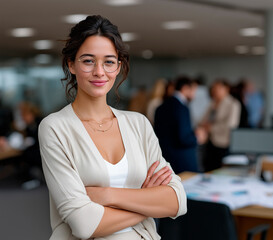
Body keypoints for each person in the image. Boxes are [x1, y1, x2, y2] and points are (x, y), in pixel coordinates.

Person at [38, 15, 186, 240]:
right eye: (88, 61)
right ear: (71, 64)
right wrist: (147, 200)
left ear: (118, 66)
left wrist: (107, 195)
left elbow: (177, 200)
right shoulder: (55, 128)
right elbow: (84, 225)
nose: (99, 72)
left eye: (108, 61)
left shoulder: (138, 124)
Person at [154, 76, 206, 174]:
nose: (194, 94)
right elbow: (184, 138)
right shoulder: (182, 108)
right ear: (185, 88)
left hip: (165, 159)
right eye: (193, 90)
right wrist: (198, 138)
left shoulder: (160, 107)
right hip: (182, 161)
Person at [200, 79, 241, 172]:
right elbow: (202, 120)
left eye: (218, 88)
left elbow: (230, 126)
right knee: (208, 168)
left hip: (223, 143)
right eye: (213, 88)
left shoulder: (233, 104)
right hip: (209, 142)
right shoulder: (212, 103)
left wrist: (210, 127)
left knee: (221, 170)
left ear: (226, 89)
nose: (215, 91)